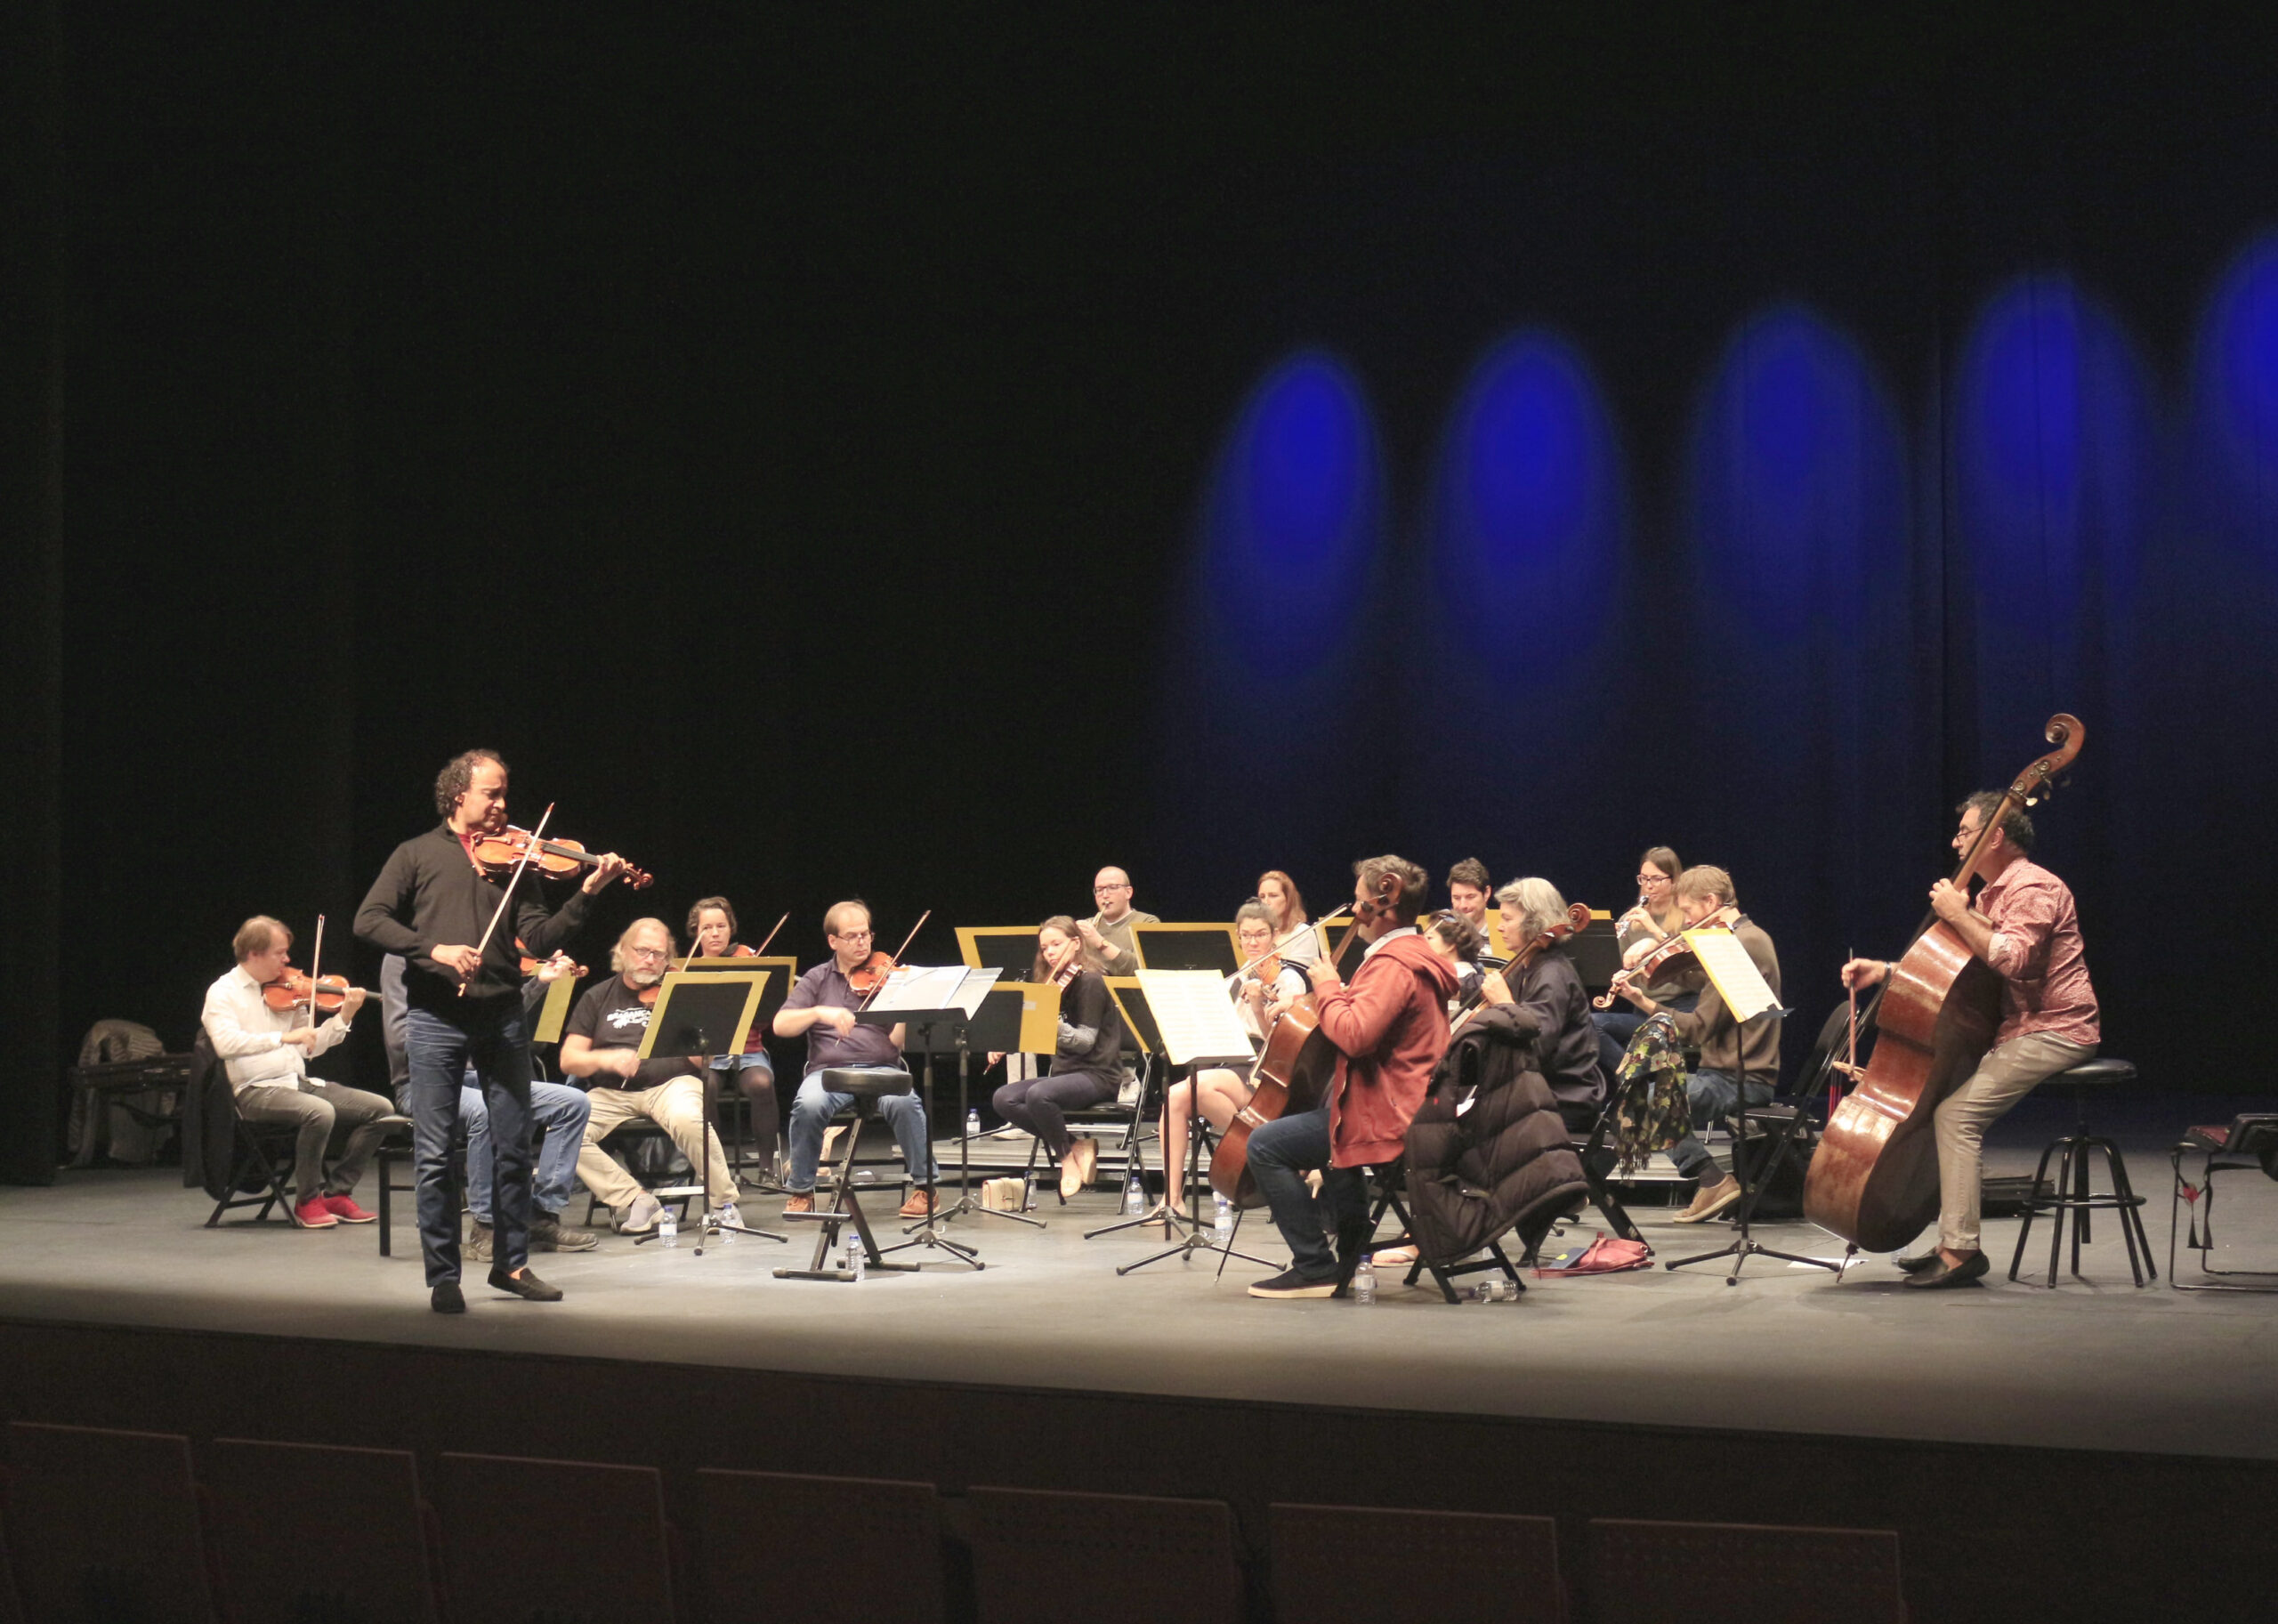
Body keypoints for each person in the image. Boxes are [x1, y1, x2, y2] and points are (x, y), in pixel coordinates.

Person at [355, 748, 626, 1313]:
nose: (503, 805)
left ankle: (512, 1264)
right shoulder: (416, 854)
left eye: (505, 794)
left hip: (502, 1015)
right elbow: (369, 919)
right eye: (492, 794)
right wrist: (433, 949)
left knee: (512, 1146)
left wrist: (588, 893)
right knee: (433, 1155)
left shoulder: (517, 864)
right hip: (435, 1019)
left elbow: (544, 935)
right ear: (460, 795)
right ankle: (444, 1276)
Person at [1840, 792, 2100, 1289]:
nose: (1955, 841)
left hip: (2057, 1029)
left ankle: (1961, 1250)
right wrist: (1887, 971)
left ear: (1995, 836)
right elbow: (1956, 975)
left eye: (1965, 831)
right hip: (2014, 1029)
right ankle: (1947, 1241)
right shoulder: (1987, 898)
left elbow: (2014, 959)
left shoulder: (2034, 887)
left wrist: (1958, 915)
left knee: (1955, 1115)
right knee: (1944, 1108)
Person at [1247, 856, 1470, 1299]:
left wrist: (1328, 985)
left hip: (1392, 1113)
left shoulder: (1394, 964)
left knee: (1265, 1144)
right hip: (1411, 1104)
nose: (1353, 911)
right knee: (1327, 1120)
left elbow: (1354, 1036)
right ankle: (1349, 1253)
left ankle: (1313, 1265)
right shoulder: (1415, 955)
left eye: (1359, 901)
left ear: (1383, 904)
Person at [378, 950, 600, 1258]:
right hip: (424, 1085)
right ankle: (485, 1226)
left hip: (482, 1079)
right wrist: (466, 1028)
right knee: (485, 1110)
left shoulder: (472, 952)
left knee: (573, 1102)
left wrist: (539, 982)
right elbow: (401, 1037)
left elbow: (500, 1018)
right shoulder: (402, 959)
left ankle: (540, 1216)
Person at [1612, 865, 1781, 1224]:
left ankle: (1712, 1180)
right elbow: (1703, 982)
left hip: (1739, 1079)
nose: (1686, 923)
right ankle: (1710, 1180)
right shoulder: (1745, 937)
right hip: (1725, 1072)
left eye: (1688, 912)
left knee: (1645, 1099)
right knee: (1644, 1092)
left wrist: (1645, 1003)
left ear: (1711, 901)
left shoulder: (1740, 944)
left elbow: (1696, 1028)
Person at [200, 916, 392, 1230]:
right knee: (320, 1113)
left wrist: (344, 1016)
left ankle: (338, 1192)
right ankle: (307, 1200)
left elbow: (308, 1047)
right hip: (255, 1091)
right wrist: (282, 1038)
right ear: (254, 954)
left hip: (297, 1083)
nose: (288, 960)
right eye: (280, 953)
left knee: (380, 1110)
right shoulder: (223, 993)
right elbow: (225, 1044)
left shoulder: (287, 991)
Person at [558, 918, 746, 1237]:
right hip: (611, 1092)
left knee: (689, 1119)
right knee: (564, 1130)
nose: (650, 960)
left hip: (671, 1085)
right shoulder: (597, 996)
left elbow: (706, 1059)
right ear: (622, 951)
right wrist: (607, 1058)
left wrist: (685, 1021)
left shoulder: (679, 991)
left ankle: (723, 1205)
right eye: (642, 951)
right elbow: (568, 1060)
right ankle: (635, 1200)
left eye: (659, 954)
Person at [773, 901, 940, 1219]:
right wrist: (820, 1012)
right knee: (807, 1105)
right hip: (829, 1073)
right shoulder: (817, 979)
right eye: (852, 936)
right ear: (833, 941)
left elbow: (897, 1043)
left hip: (882, 1069)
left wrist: (905, 1006)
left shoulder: (889, 977)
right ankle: (801, 1189)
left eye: (866, 934)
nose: (863, 941)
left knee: (905, 1104)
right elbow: (781, 1025)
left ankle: (925, 1188)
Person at [1156, 901, 1309, 1211]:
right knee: (1175, 1097)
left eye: (1261, 935)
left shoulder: (1288, 979)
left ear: (1275, 936)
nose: (1253, 943)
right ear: (1237, 937)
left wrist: (1256, 1004)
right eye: (1246, 936)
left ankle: (1257, 1153)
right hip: (1229, 1061)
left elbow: (1280, 1042)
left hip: (1265, 1069)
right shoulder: (1231, 979)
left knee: (1202, 1087)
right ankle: (1171, 1200)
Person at [990, 917, 1128, 1199]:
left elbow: (1084, 1042)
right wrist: (1009, 1041)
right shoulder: (1054, 986)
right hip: (1066, 1075)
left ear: (1076, 944)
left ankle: (1066, 1160)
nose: (1049, 952)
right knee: (1003, 1098)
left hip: (1098, 1075)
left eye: (1056, 944)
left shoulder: (1091, 981)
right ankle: (1076, 1145)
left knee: (1040, 1094)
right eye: (1045, 948)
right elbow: (1039, 1036)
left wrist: (1050, 1021)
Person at [1480, 878, 1606, 1135]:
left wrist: (1503, 1003)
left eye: (1507, 919)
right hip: (1538, 1091)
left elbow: (1536, 1046)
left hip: (1563, 1098)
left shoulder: (1552, 975)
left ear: (1533, 923)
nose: (1499, 926)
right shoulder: (1523, 968)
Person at [686, 896, 782, 1176]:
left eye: (721, 926)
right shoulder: (686, 969)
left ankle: (767, 1166)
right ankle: (717, 1168)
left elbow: (764, 1021)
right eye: (707, 928)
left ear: (731, 929)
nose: (715, 933)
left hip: (748, 1049)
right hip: (708, 1052)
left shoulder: (748, 960)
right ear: (696, 931)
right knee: (706, 1088)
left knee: (762, 1084)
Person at [1592, 845, 1695, 1076]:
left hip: (1679, 1009)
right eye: (1644, 878)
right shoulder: (1632, 919)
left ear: (1674, 880)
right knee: (1591, 1024)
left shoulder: (1687, 917)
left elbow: (1689, 962)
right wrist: (1610, 942)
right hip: (1642, 1010)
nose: (1648, 885)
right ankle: (1638, 1080)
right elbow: (1618, 965)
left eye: (1656, 879)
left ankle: (1639, 1084)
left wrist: (1654, 930)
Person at [1077, 867, 1159, 975]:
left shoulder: (1147, 922)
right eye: (1099, 890)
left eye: (1113, 887)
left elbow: (1143, 968)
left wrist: (1099, 942)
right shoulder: (1088, 925)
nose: (1105, 895)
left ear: (1128, 892)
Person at [1257, 869, 1318, 965]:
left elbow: (1296, 976)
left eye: (1273, 896)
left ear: (1288, 899)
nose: (1266, 902)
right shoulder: (1263, 934)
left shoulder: (1302, 933)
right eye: (1262, 897)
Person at [1446, 858, 1494, 942]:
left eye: (1470, 897)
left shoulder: (1503, 932)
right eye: (1457, 898)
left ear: (1486, 893)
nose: (1463, 905)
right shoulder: (1441, 932)